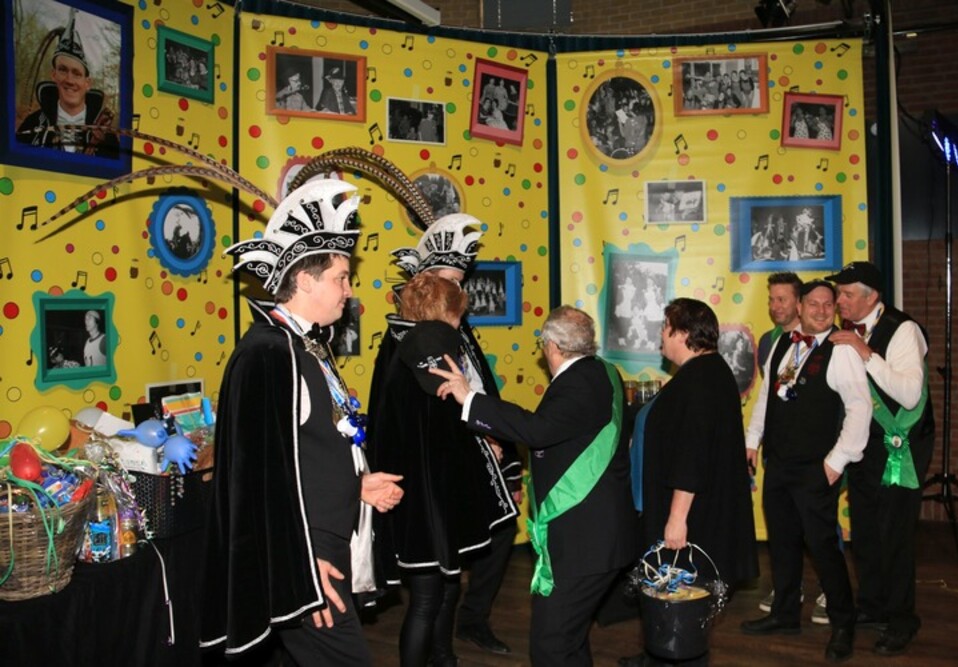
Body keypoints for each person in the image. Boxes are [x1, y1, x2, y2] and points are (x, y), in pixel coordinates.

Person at [200, 179, 404, 665]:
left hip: (321, 542)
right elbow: (257, 479)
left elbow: (306, 450)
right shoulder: (268, 355)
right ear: (306, 280)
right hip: (306, 554)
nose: (349, 291)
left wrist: (357, 484)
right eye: (341, 277)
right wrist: (301, 566)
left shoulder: (305, 345)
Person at [431, 306, 636, 666]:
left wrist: (471, 399)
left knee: (550, 645)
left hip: (585, 541)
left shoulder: (578, 383)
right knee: (570, 640)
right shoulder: (603, 371)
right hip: (597, 533)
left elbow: (537, 430)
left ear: (551, 346)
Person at [368, 214, 523, 656]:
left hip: (439, 491)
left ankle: (445, 656)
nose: (457, 289)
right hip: (425, 495)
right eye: (450, 282)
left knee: (445, 587)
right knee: (427, 598)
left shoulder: (434, 341)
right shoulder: (423, 349)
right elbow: (438, 421)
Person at [620, 298, 758, 667]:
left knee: (682, 596)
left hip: (692, 514)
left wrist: (677, 518)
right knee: (670, 593)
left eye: (665, 329)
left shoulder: (699, 380)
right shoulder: (708, 371)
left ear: (682, 333)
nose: (660, 337)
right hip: (699, 507)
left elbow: (693, 455)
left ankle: (674, 658)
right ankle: (657, 656)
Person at [741, 280, 872, 663]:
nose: (820, 310)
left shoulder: (841, 350)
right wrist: (752, 440)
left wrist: (836, 462)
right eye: (813, 303)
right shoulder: (784, 343)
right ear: (799, 307)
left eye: (827, 304)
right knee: (782, 544)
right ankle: (785, 614)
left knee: (824, 550)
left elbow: (860, 409)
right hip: (779, 464)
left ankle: (843, 625)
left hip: (816, 470)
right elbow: (769, 396)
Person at [825, 261, 935, 656]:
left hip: (899, 447)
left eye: (846, 294)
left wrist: (865, 352)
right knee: (866, 531)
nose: (839, 301)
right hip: (865, 446)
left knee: (895, 535)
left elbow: (909, 394)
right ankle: (872, 606)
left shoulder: (903, 330)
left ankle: (902, 619)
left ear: (872, 297)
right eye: (839, 293)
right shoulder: (846, 331)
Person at [16, 8, 119, 158]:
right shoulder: (32, 125)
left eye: (77, 73)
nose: (69, 80)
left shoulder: (106, 136)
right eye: (63, 70)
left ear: (87, 83)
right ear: (54, 75)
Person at [757, 272, 803, 377]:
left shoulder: (814, 339)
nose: (774, 307)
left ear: (799, 301)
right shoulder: (767, 340)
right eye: (771, 300)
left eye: (781, 299)